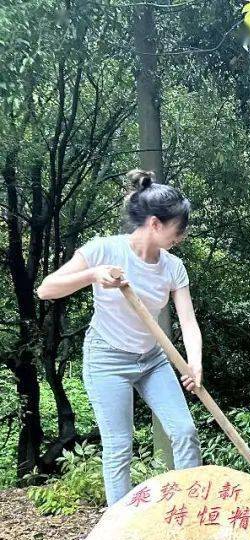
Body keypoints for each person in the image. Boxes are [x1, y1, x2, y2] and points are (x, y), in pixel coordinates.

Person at [37, 170, 203, 505]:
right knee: (119, 446)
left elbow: (188, 321)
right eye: (177, 228)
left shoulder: (173, 267)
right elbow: (45, 290)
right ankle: (119, 526)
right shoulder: (103, 250)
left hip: (153, 360)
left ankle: (190, 511)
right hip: (107, 360)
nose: (181, 236)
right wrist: (91, 275)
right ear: (155, 224)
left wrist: (194, 363)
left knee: (184, 431)